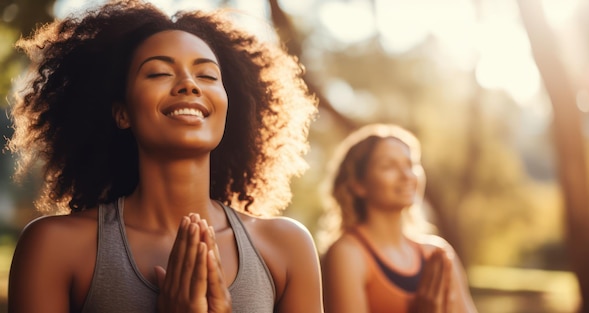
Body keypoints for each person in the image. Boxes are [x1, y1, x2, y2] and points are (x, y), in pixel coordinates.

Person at [6, 0, 322, 312]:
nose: (188, 85)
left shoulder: (286, 246)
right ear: (122, 113)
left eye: (208, 76)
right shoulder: (54, 247)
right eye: (159, 73)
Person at [319, 124, 477, 313]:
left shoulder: (438, 253)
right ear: (358, 184)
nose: (407, 175)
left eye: (410, 165)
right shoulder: (348, 253)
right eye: (388, 166)